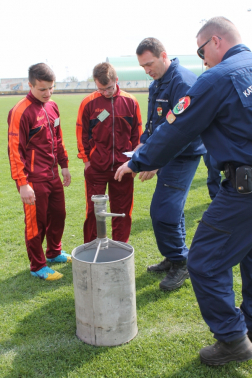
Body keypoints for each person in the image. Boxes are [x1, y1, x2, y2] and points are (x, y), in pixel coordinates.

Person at [115, 17, 252, 365]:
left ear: (216, 42)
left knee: (204, 261)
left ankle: (234, 340)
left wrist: (140, 160)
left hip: (245, 189)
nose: (202, 59)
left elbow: (178, 126)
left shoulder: (216, 78)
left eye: (202, 50)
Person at [134, 38, 206, 291]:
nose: (147, 70)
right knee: (169, 210)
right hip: (167, 152)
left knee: (163, 212)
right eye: (142, 66)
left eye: (149, 64)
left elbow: (181, 132)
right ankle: (174, 257)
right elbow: (155, 120)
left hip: (182, 154)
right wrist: (144, 144)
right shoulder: (160, 81)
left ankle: (181, 263)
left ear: (164, 55)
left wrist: (155, 159)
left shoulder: (182, 82)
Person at [8, 63, 72, 281]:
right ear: (30, 85)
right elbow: (14, 151)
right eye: (42, 89)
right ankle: (37, 265)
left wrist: (64, 166)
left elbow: (58, 138)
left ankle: (54, 252)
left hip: (53, 174)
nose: (48, 93)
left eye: (51, 88)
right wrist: (22, 183)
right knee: (37, 223)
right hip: (33, 178)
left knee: (59, 215)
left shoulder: (52, 106)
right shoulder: (20, 111)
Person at [76, 62, 142, 243]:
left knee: (122, 211)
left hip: (123, 167)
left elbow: (138, 135)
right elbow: (81, 133)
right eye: (101, 89)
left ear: (117, 80)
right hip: (96, 167)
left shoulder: (131, 102)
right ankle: (91, 248)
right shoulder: (88, 103)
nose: (106, 92)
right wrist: (87, 162)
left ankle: (120, 248)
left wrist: (135, 163)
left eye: (109, 88)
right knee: (93, 211)